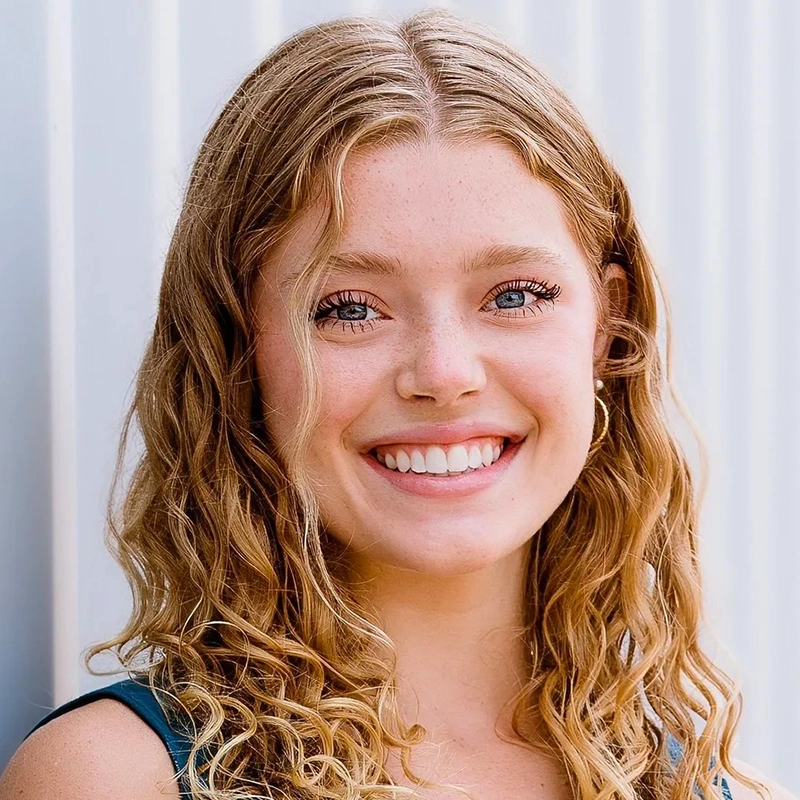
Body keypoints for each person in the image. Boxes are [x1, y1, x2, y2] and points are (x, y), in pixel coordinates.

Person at [0, 9, 794, 800]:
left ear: (607, 327)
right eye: (349, 307)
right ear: (237, 350)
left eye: (515, 294)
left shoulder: (701, 783)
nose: (444, 374)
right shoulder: (117, 779)